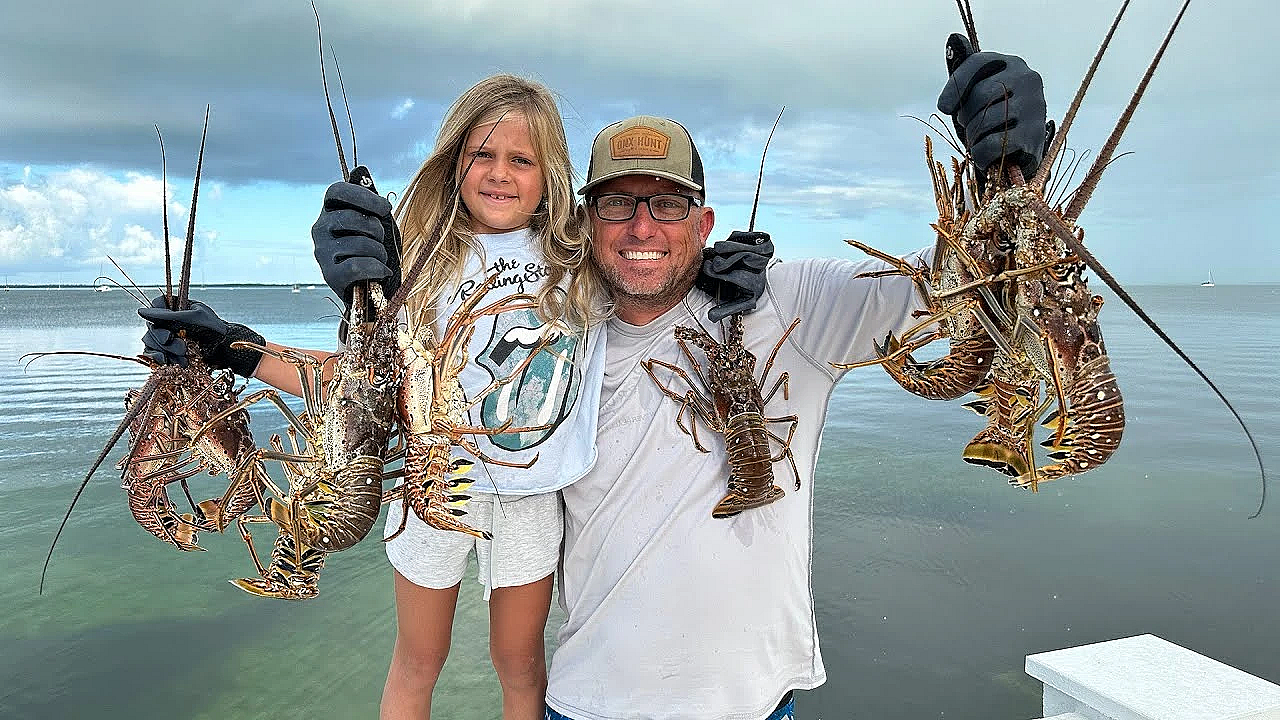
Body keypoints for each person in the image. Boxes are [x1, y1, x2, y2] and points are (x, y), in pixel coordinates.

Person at [538, 42, 1048, 720]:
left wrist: (1008, 172)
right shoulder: (554, 338)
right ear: (586, 223)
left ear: (704, 223)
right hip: (586, 703)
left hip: (753, 705)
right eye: (616, 204)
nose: (641, 226)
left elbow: (952, 283)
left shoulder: (785, 304)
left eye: (668, 205)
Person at [138, 74, 607, 720]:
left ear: (551, 173)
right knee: (417, 660)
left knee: (521, 663)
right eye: (482, 155)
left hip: (532, 495)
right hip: (424, 487)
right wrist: (235, 349)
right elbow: (356, 384)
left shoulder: (582, 262)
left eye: (522, 159)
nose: (500, 173)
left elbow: (655, 277)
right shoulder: (416, 261)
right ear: (453, 162)